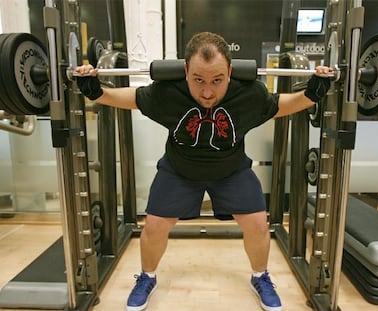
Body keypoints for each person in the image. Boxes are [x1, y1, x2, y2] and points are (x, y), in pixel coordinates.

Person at [76, 32, 332, 311]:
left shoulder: (249, 94)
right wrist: (95, 90)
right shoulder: (167, 93)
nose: (208, 92)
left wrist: (313, 92)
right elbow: (130, 99)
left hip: (232, 171)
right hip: (179, 169)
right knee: (154, 226)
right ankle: (147, 277)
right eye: (198, 80)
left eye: (217, 80)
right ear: (185, 70)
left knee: (258, 224)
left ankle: (260, 276)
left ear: (230, 72)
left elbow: (282, 105)